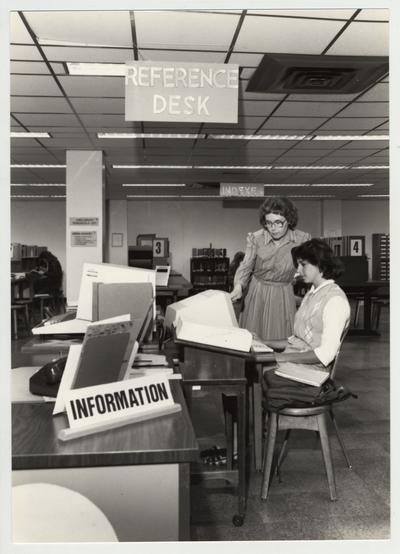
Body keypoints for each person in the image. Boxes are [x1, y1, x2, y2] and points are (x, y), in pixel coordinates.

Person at [263, 238, 351, 408]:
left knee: (257, 375)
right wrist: (263, 342)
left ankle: (259, 428)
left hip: (313, 374)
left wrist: (280, 357)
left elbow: (325, 355)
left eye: (303, 264)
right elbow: (298, 339)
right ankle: (258, 427)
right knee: (251, 369)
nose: (298, 270)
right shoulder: (312, 294)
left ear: (320, 264)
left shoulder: (335, 300)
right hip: (297, 365)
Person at [230, 197, 311, 341]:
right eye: (268, 223)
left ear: (289, 220)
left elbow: (310, 267)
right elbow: (246, 265)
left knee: (281, 339)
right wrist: (238, 286)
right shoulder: (256, 238)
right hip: (257, 293)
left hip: (283, 294)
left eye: (278, 223)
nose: (273, 228)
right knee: (253, 341)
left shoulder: (302, 239)